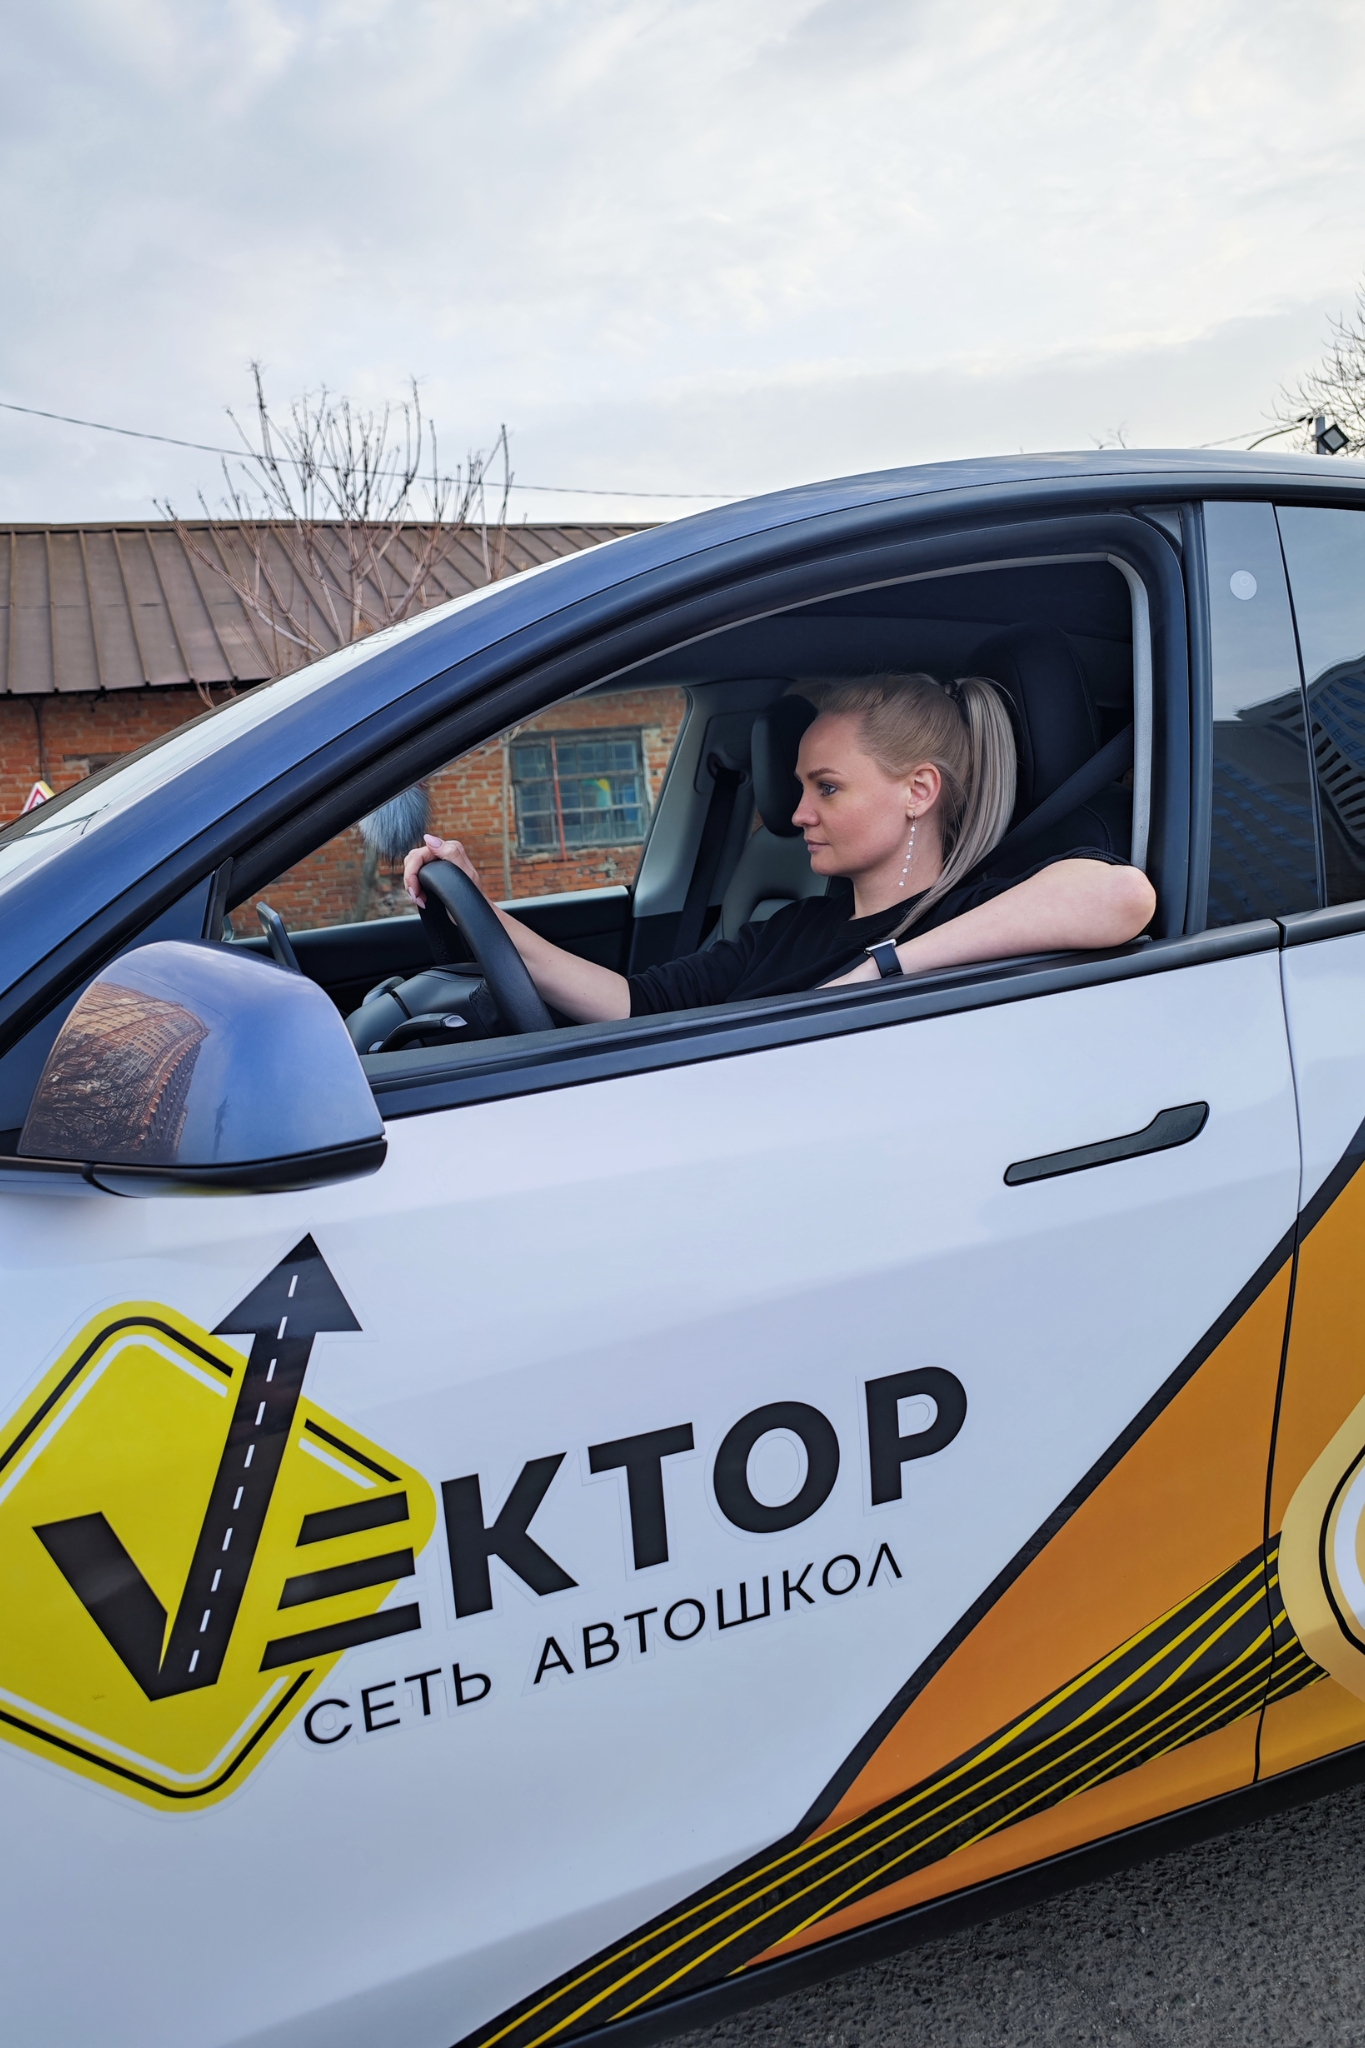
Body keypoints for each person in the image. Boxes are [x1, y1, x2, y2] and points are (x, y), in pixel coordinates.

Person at [402, 674, 1156, 1023]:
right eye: (800, 787)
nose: (796, 814)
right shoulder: (790, 930)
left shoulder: (973, 919)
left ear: (918, 791)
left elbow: (1121, 897)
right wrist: (484, 912)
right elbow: (635, 1005)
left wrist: (880, 970)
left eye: (827, 788)